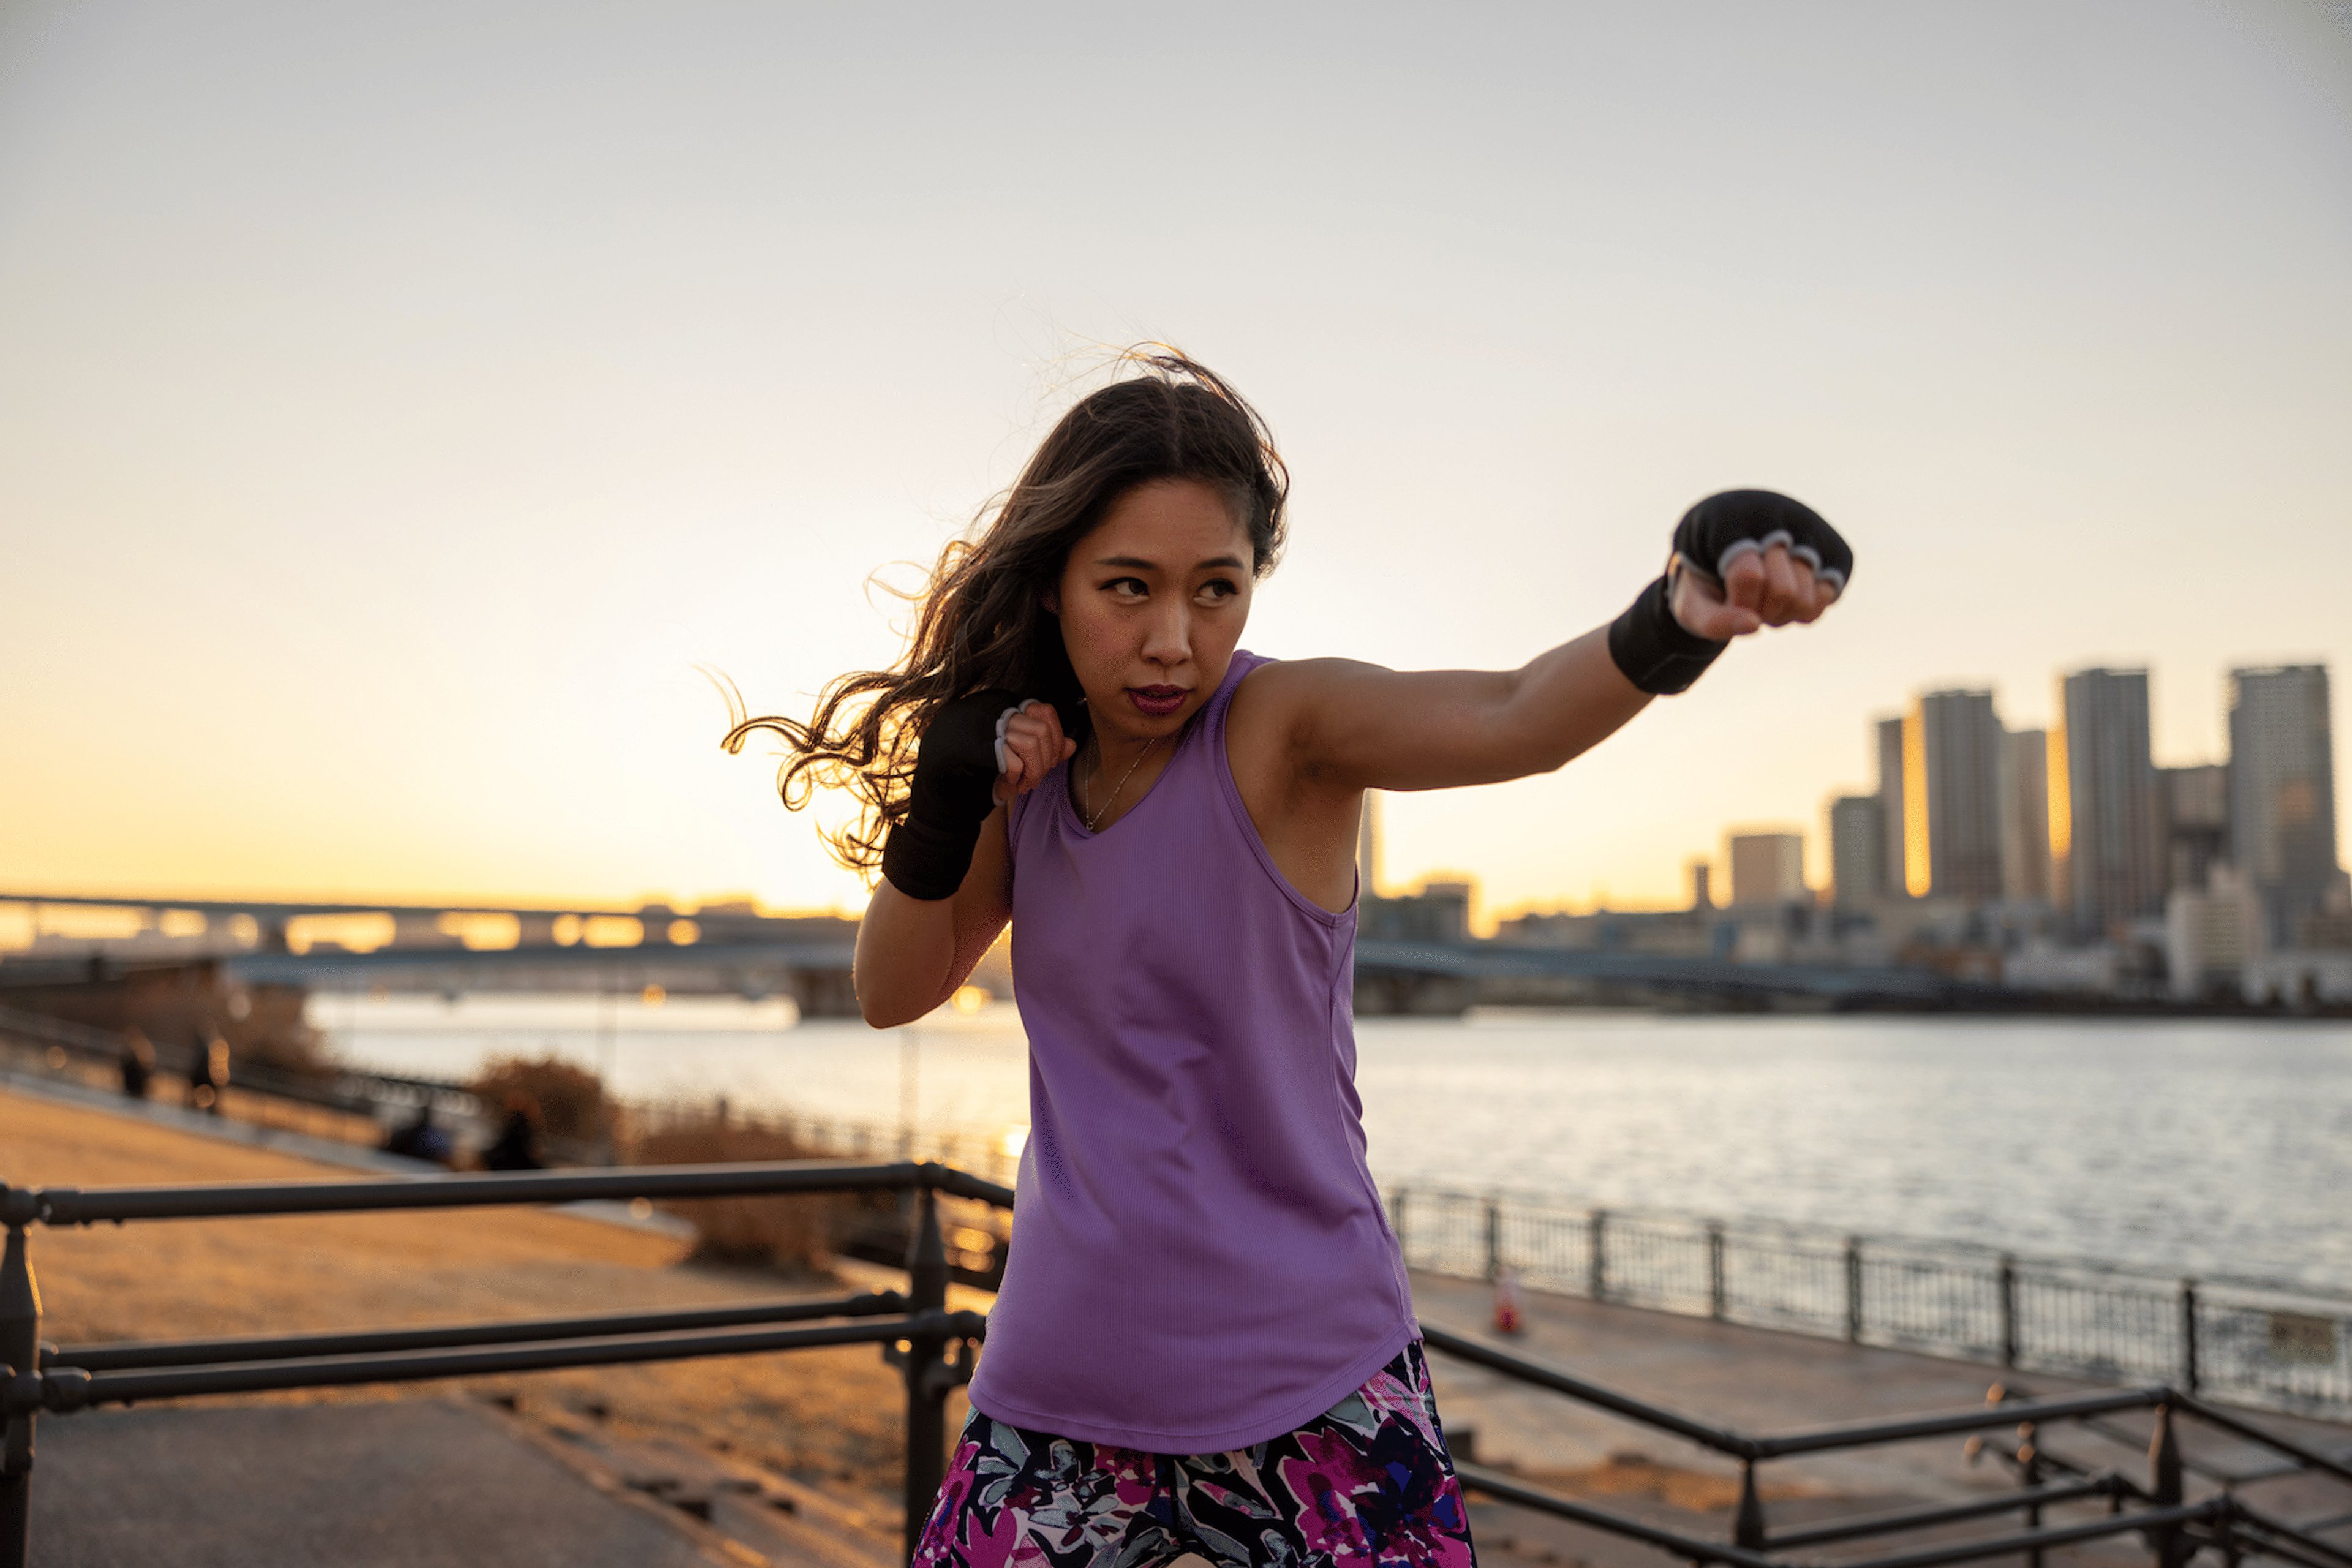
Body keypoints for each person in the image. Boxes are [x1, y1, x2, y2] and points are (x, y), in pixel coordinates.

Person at [737, 350, 1849, 1568]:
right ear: (1054, 584)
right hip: (1064, 1390)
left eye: (1215, 589)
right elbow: (891, 992)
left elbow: (1516, 712)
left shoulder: (1284, 729)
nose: (1174, 639)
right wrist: (945, 803)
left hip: (1314, 1381)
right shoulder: (1026, 775)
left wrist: (1677, 613)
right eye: (1128, 587)